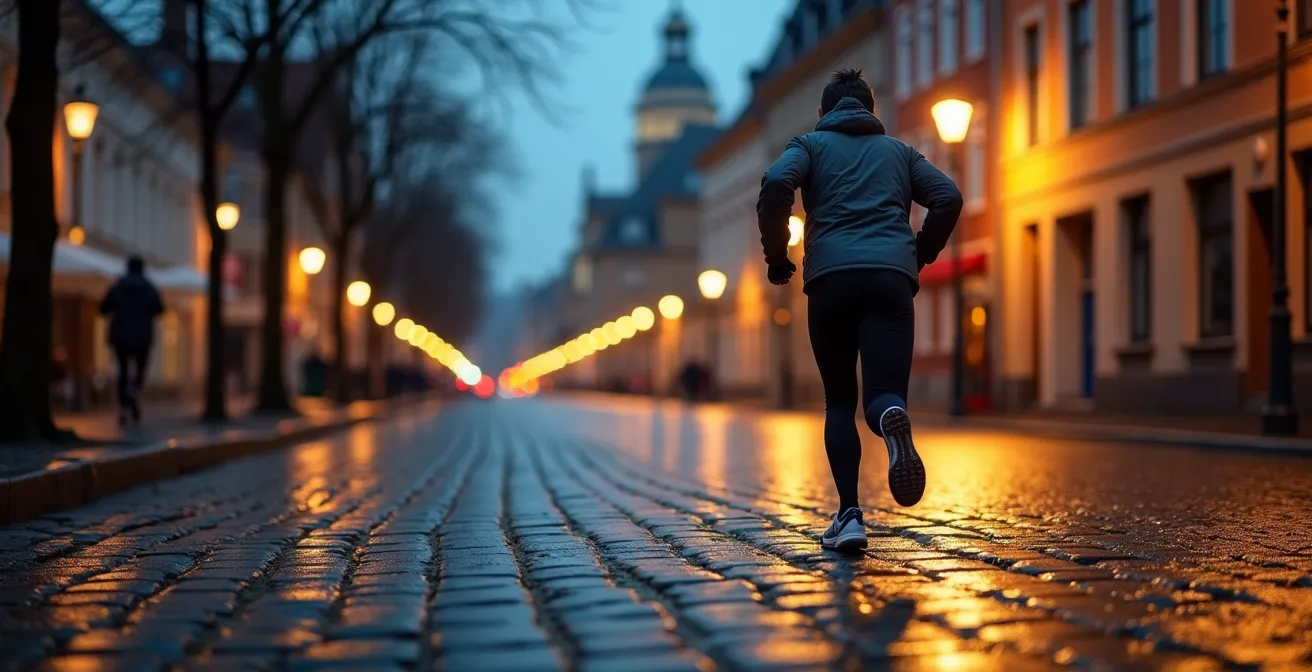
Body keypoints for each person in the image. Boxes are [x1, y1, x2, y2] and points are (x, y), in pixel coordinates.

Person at [756, 68, 962, 553]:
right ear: (873, 112)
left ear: (822, 114)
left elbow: (774, 185)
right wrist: (919, 253)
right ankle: (892, 414)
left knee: (838, 401)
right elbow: (948, 197)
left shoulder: (808, 146)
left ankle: (849, 517)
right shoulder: (899, 152)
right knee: (884, 393)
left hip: (830, 281)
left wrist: (778, 256)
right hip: (891, 280)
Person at [99, 256, 164, 426]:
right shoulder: (149, 288)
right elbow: (159, 309)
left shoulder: (117, 286)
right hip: (142, 337)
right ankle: (134, 391)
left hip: (120, 337)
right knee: (140, 371)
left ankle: (123, 407)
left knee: (123, 371)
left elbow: (103, 308)